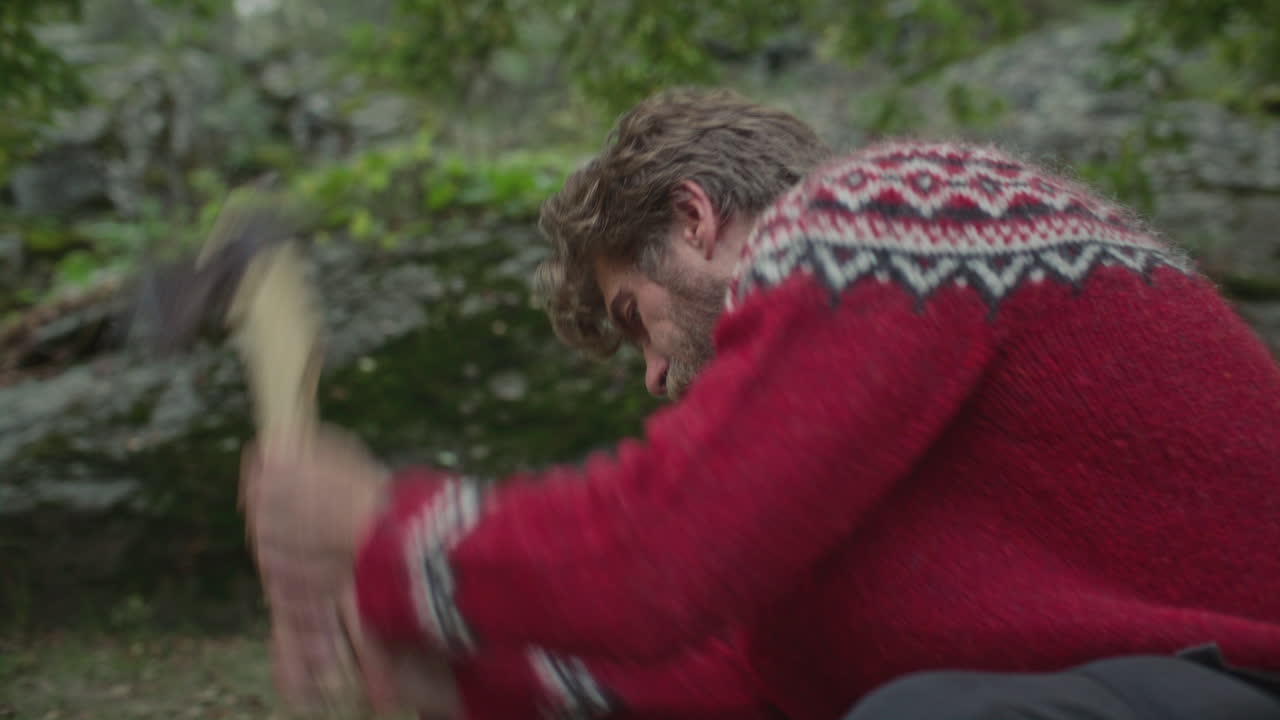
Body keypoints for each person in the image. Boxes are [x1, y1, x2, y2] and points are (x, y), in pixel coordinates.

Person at [240, 88, 1280, 720]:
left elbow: (660, 556)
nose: (652, 374)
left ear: (693, 219)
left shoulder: (889, 207)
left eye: (633, 315)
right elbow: (748, 683)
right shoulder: (856, 461)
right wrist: (453, 676)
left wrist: (386, 536)